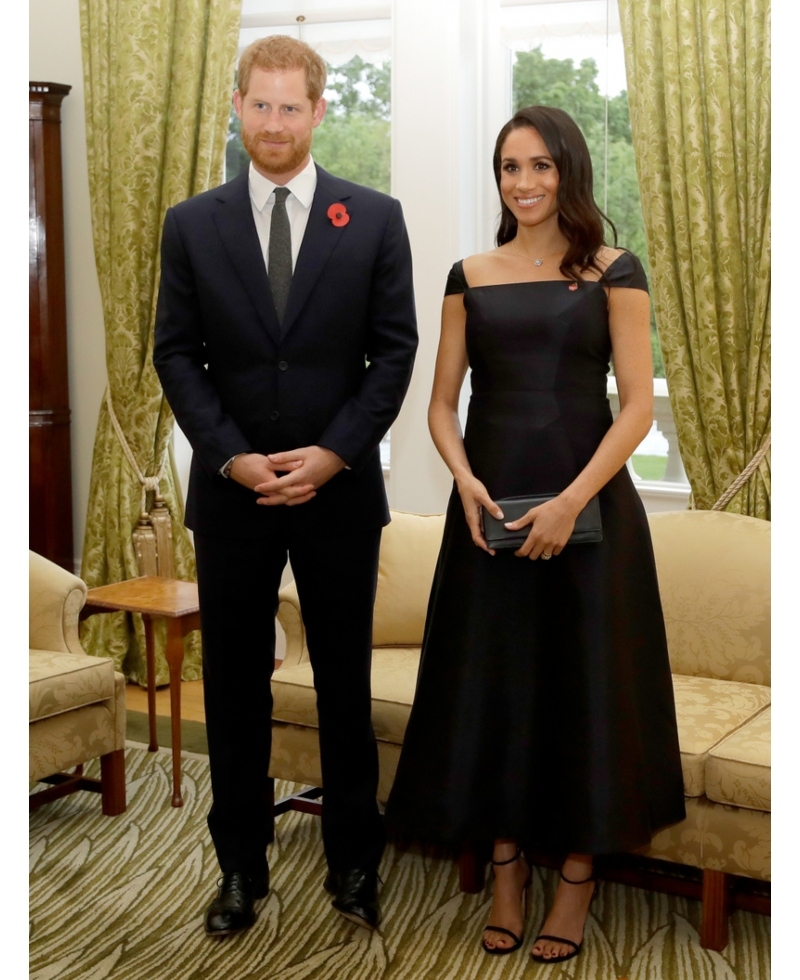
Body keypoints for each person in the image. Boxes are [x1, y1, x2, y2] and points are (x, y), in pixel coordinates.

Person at [385, 106, 685, 964]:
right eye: (510, 167)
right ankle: (508, 870)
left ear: (569, 172)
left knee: (582, 694)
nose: (525, 183)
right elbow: (442, 405)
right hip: (489, 518)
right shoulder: (468, 273)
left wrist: (566, 502)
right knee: (498, 692)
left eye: (542, 166)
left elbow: (633, 408)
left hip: (591, 515)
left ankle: (578, 880)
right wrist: (468, 484)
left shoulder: (613, 271)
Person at [154, 35, 417, 937]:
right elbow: (175, 356)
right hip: (232, 497)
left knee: (343, 682)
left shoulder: (374, 218)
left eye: (290, 106)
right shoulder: (191, 223)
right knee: (235, 688)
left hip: (339, 494)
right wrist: (230, 456)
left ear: (317, 110)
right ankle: (239, 869)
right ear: (236, 106)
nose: (274, 123)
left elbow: (395, 355)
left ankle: (353, 864)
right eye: (258, 105)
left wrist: (334, 454)